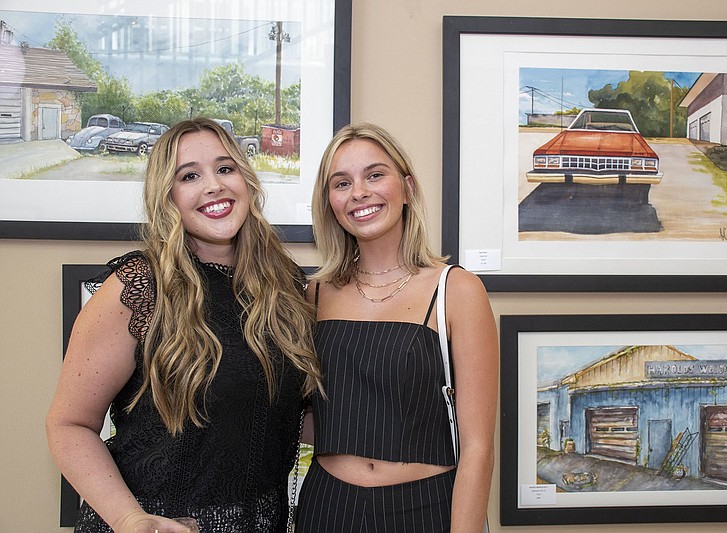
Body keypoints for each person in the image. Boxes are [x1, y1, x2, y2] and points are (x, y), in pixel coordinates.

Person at [46, 117, 322, 533]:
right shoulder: (139, 288)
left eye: (225, 169)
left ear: (246, 181)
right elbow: (68, 425)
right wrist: (130, 519)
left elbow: (280, 414)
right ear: (168, 198)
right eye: (190, 176)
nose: (214, 185)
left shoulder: (284, 287)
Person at [296, 123, 498, 532]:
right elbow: (298, 413)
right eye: (341, 183)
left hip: (425, 509)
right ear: (330, 202)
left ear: (406, 187)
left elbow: (477, 447)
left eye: (374, 175)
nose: (359, 193)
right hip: (327, 508)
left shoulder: (456, 290)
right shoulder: (311, 294)